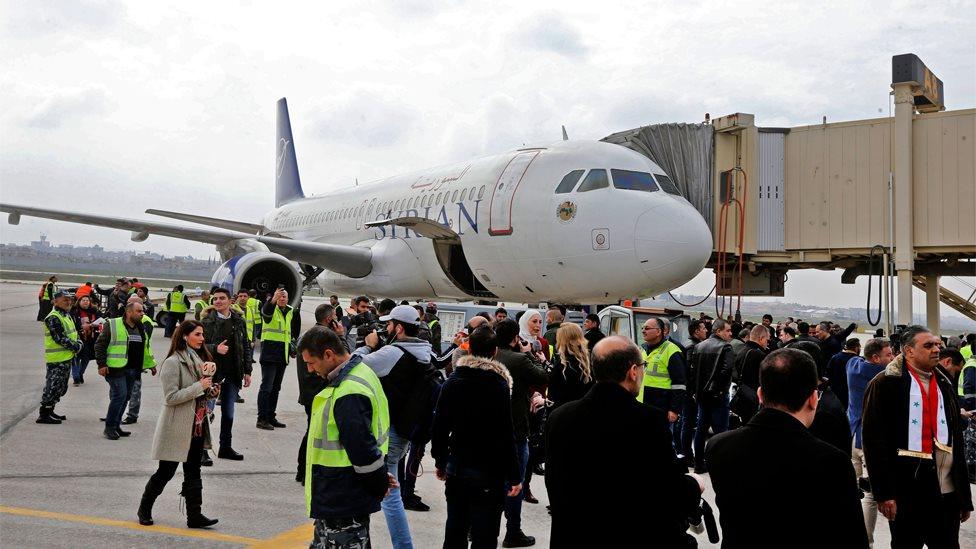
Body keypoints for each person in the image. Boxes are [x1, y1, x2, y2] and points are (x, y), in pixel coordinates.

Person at [546, 336, 703, 547]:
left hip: (572, 536)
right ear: (633, 371)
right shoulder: (649, 421)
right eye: (642, 366)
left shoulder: (559, 417)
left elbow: (555, 482)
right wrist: (694, 485)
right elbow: (665, 488)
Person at [707, 348, 868, 548]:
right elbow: (851, 536)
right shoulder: (831, 461)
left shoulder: (718, 446)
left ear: (760, 395)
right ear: (813, 398)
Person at [862, 326, 973, 547]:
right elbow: (874, 443)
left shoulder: (944, 383)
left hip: (946, 494)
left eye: (937, 345)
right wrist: (884, 494)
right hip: (906, 495)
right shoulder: (885, 384)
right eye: (928, 345)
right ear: (908, 351)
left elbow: (956, 442)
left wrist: (963, 497)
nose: (936, 350)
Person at [300, 326, 396, 549]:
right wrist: (380, 477)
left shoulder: (349, 391)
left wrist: (378, 481)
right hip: (340, 494)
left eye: (311, 363)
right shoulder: (358, 371)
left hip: (342, 497)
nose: (310, 370)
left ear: (328, 355)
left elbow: (362, 449)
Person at [355, 304, 438, 549]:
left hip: (388, 433)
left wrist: (368, 346)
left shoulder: (393, 353)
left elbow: (353, 365)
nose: (386, 329)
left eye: (389, 325)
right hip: (404, 432)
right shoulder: (425, 351)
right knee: (389, 491)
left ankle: (402, 545)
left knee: (386, 495)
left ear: (399, 328)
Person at [432, 326, 521, 548]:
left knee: (455, 529)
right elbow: (505, 432)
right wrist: (515, 474)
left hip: (459, 466)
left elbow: (440, 426)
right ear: (495, 352)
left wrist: (441, 461)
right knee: (486, 534)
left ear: (469, 349)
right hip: (490, 470)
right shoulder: (499, 385)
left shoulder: (453, 381)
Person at [137, 320, 220, 528]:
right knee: (166, 471)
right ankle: (144, 508)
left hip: (197, 425)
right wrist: (199, 386)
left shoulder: (197, 359)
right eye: (198, 334)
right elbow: (171, 397)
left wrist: (210, 391)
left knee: (194, 471)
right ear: (185, 336)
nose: (202, 338)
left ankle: (195, 515)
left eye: (202, 334)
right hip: (177, 427)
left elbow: (198, 391)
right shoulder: (173, 362)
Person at [494, 319, 548, 547]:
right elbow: (544, 378)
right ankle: (513, 531)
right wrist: (533, 356)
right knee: (514, 483)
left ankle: (474, 527)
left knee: (490, 481)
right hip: (515, 429)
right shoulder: (520, 359)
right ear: (516, 337)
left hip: (489, 429)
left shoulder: (490, 356)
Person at [847, 338, 895, 547]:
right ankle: (866, 541)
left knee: (852, 492)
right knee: (870, 496)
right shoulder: (879, 375)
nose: (892, 358)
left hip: (852, 437)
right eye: (888, 355)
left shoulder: (852, 366)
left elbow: (855, 357)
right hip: (869, 442)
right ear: (876, 358)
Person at [296, 303, 348, 485]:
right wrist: (341, 336)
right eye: (334, 316)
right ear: (329, 319)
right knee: (315, 432)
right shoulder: (325, 340)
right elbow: (345, 362)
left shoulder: (310, 336)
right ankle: (305, 471)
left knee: (311, 430)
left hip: (309, 393)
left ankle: (302, 470)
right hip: (318, 392)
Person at [200, 288, 252, 460]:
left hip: (231, 374)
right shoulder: (206, 321)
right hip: (211, 374)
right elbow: (198, 346)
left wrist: (247, 370)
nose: (218, 301)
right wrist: (216, 348)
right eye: (215, 299)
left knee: (228, 414)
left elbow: (245, 345)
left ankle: (225, 447)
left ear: (231, 301)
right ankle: (202, 450)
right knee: (206, 414)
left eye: (222, 298)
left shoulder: (238, 321)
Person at [95, 300, 157, 439]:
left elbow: (144, 348)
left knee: (125, 398)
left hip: (133, 369)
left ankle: (116, 426)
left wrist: (150, 364)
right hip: (116, 368)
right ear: (129, 312)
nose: (142, 314)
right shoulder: (113, 324)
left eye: (143, 311)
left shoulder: (140, 327)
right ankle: (109, 427)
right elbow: (100, 345)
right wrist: (101, 364)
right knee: (119, 396)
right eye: (139, 311)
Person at [690, 318, 734, 474]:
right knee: (721, 433)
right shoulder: (726, 347)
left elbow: (693, 372)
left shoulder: (699, 346)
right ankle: (720, 464)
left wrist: (697, 391)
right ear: (718, 331)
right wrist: (717, 390)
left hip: (702, 395)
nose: (730, 333)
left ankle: (698, 464)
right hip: (718, 396)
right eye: (728, 330)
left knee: (701, 430)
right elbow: (726, 371)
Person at [36, 291, 83, 424]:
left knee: (61, 387)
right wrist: (77, 347)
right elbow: (60, 338)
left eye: (69, 300)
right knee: (53, 386)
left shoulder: (67, 315)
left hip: (66, 357)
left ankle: (50, 410)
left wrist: (79, 343)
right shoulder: (53, 317)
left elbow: (74, 333)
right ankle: (44, 414)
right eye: (64, 300)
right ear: (55, 301)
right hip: (57, 359)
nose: (68, 302)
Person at [257, 287, 297, 430]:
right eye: (279, 296)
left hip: (282, 354)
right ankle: (261, 419)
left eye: (284, 296)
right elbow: (266, 314)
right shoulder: (269, 308)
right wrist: (272, 300)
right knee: (266, 388)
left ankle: (270, 416)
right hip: (269, 353)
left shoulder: (291, 310)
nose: (282, 298)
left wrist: (293, 346)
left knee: (276, 389)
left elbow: (291, 331)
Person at [636, 318, 686, 425]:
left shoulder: (672, 351)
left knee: (661, 440)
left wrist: (674, 409)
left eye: (647, 328)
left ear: (659, 331)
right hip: (641, 404)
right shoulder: (642, 349)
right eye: (642, 328)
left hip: (661, 407)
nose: (643, 331)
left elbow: (679, 383)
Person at [122, 294, 158, 425]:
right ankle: (115, 412)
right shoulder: (123, 319)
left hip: (137, 362)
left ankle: (132, 415)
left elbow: (144, 344)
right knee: (118, 390)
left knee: (134, 389)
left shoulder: (145, 321)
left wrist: (150, 363)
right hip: (121, 361)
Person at [548, 323, 593, 409]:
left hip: (563, 416)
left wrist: (543, 402)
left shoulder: (563, 366)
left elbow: (557, 400)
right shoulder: (587, 363)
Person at [70, 294, 102, 386]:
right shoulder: (74, 311)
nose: (85, 302)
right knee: (76, 357)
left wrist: (94, 325)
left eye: (87, 300)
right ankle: (76, 377)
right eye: (83, 300)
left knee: (86, 358)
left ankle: (80, 373)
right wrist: (81, 327)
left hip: (90, 338)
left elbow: (101, 320)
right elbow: (71, 324)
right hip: (77, 337)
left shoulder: (94, 311)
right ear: (79, 302)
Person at [827, 338, 861, 410]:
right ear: (856, 348)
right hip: (850, 394)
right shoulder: (858, 361)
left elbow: (829, 372)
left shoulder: (835, 357)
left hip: (835, 392)